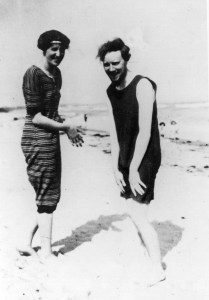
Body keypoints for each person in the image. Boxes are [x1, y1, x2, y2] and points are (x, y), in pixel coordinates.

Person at [97, 38, 165, 286]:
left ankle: (157, 268)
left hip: (146, 155)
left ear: (126, 60)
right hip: (126, 155)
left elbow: (145, 132)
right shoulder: (109, 92)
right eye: (106, 65)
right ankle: (148, 260)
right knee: (133, 211)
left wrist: (134, 168)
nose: (111, 69)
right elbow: (114, 133)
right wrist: (115, 166)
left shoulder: (143, 85)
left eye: (116, 63)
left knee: (138, 214)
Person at [19, 30, 83, 262]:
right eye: (54, 48)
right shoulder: (33, 74)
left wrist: (67, 127)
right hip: (36, 137)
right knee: (47, 193)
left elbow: (52, 113)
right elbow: (35, 116)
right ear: (44, 48)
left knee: (48, 192)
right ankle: (46, 252)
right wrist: (65, 127)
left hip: (50, 137)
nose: (58, 53)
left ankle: (25, 242)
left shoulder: (57, 75)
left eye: (62, 49)